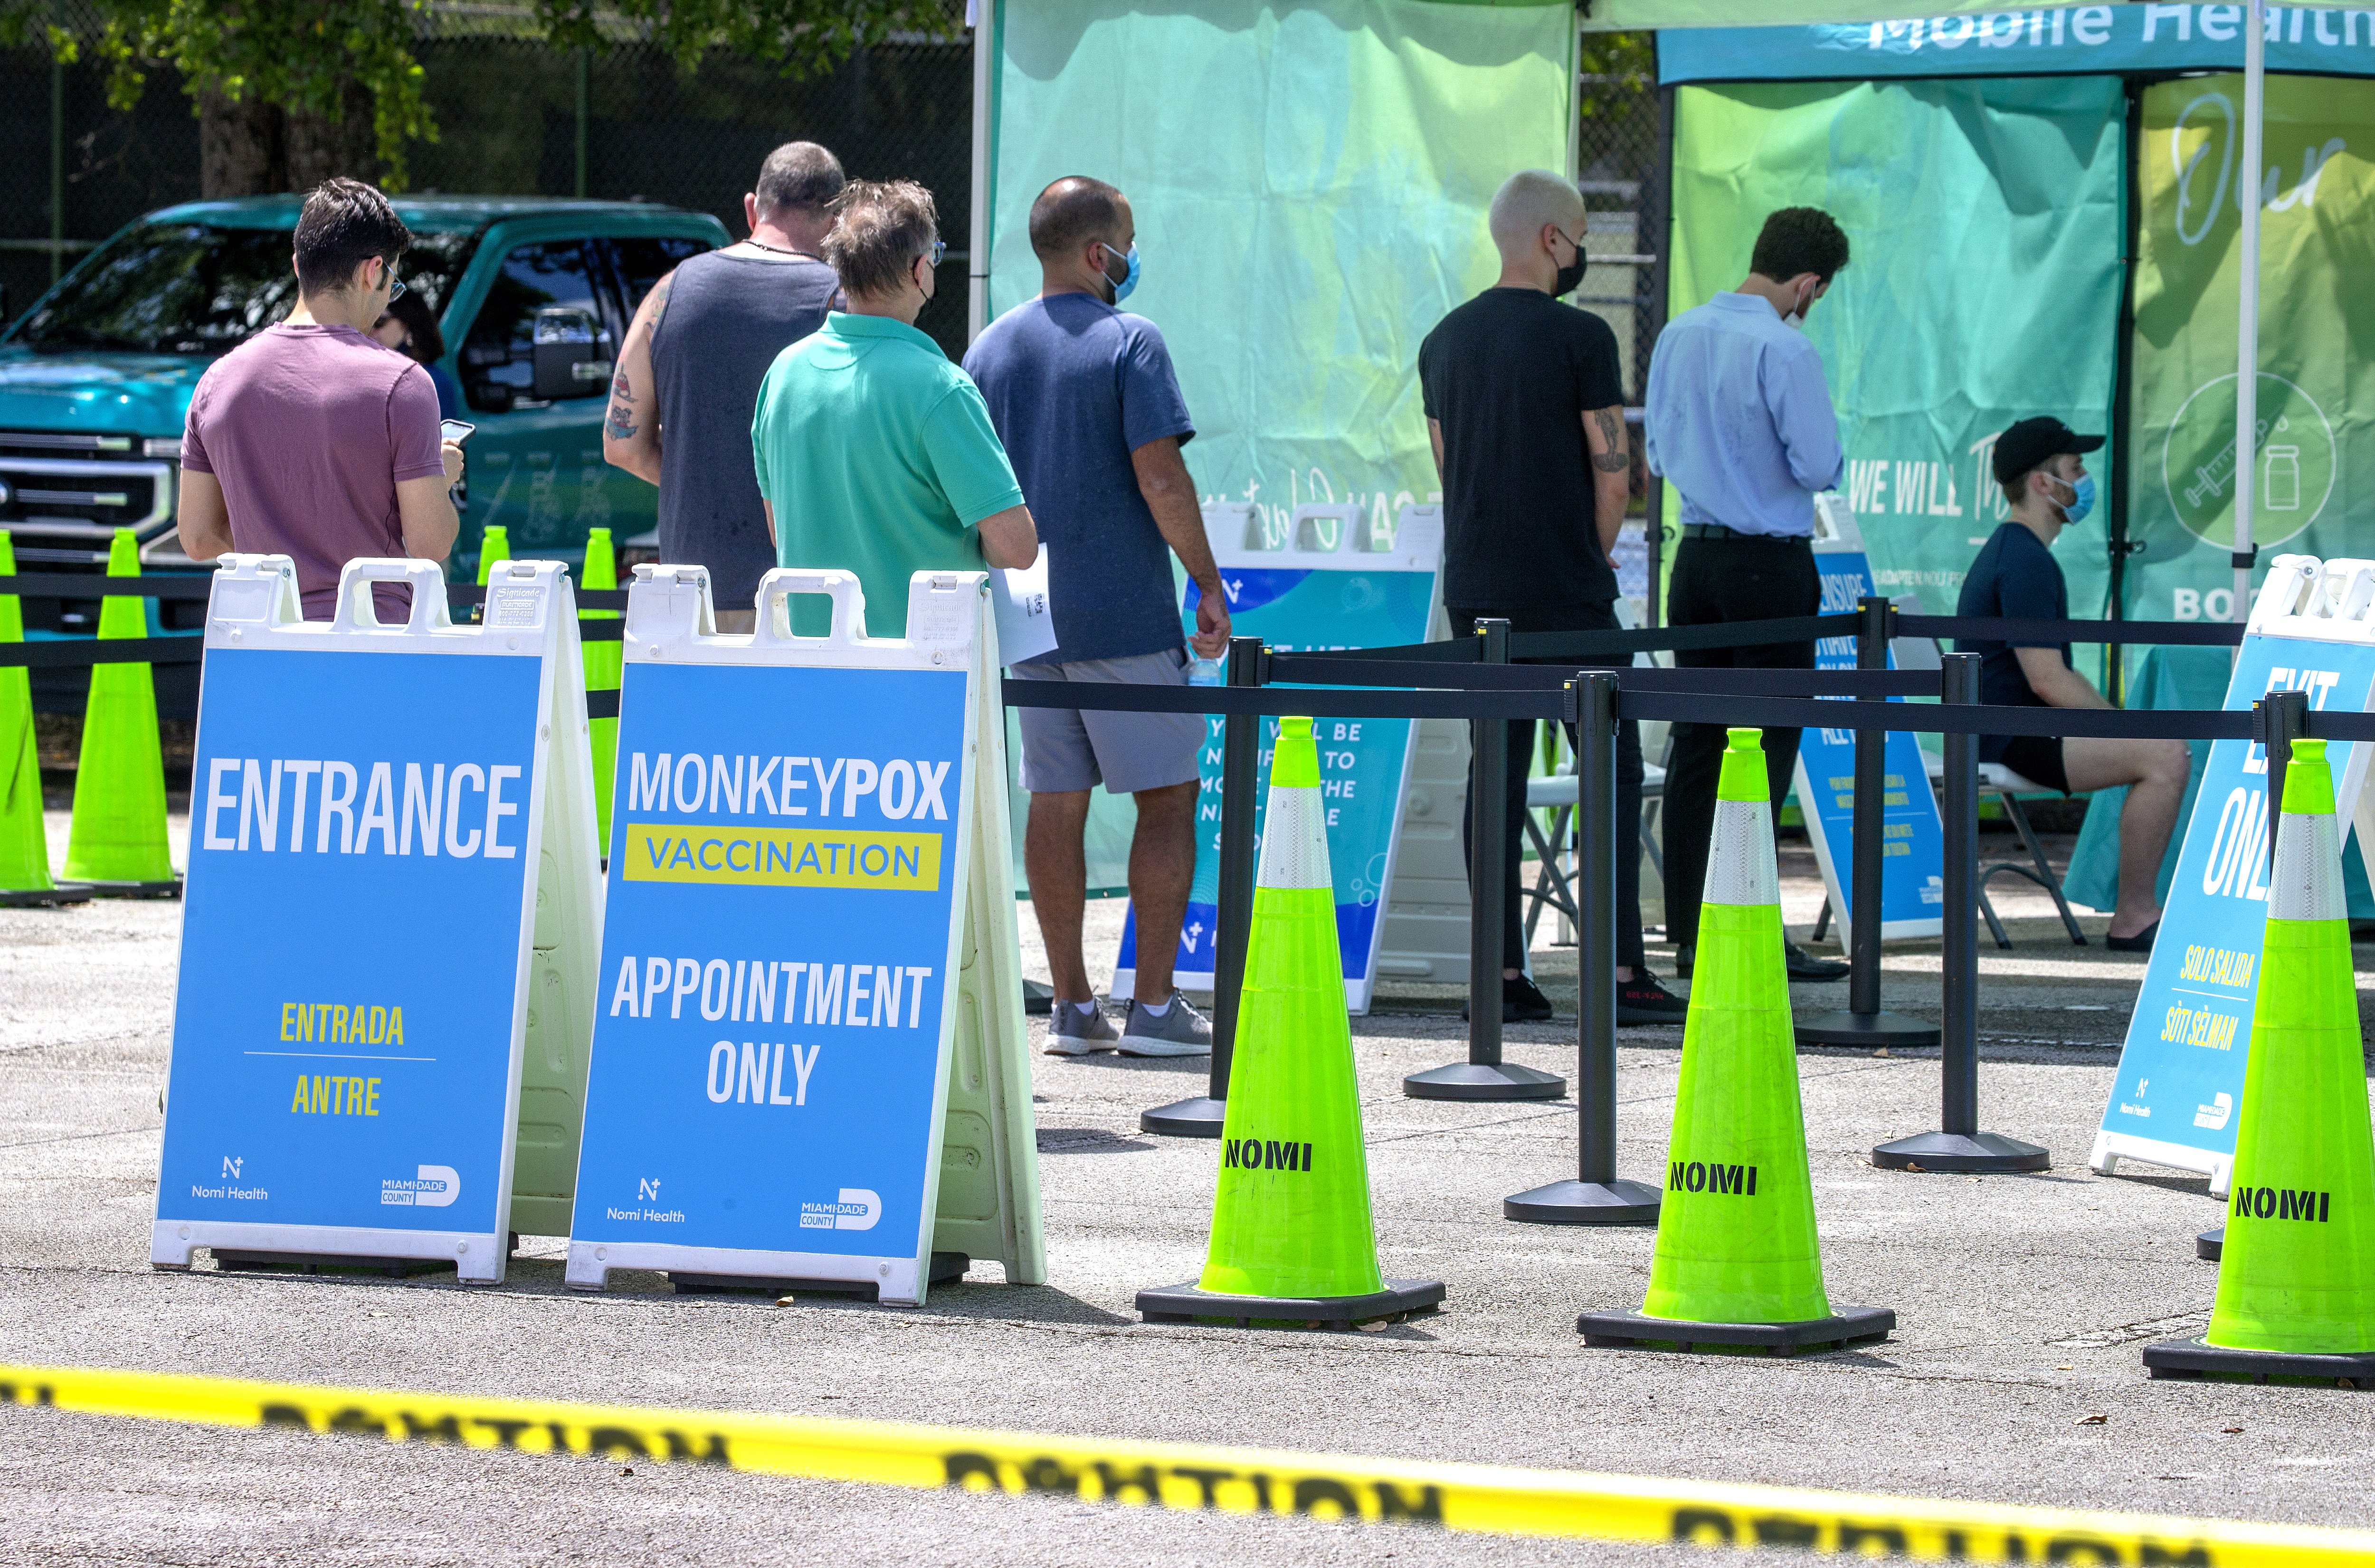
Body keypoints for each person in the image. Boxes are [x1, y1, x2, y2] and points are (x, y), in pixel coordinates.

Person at [962, 176, 1228, 1058]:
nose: (1133, 257)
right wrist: (1207, 581)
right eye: (1128, 241)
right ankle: (1153, 1005)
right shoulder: (1130, 340)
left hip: (1028, 618)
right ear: (1095, 253)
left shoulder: (987, 351)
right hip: (1124, 617)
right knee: (1169, 795)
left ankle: (1073, 1008)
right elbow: (1161, 477)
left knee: (1055, 798)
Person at [1417, 170, 1686, 1026]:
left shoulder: (1443, 340)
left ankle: (1498, 972)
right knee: (1610, 763)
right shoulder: (1583, 335)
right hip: (1568, 589)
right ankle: (1620, 970)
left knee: (1492, 772)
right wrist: (1591, 554)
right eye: (1581, 239)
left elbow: (1449, 465)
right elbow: (1615, 473)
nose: (1582, 255)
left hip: (1476, 586)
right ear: (1551, 239)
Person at [1644, 205, 1855, 985]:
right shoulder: (1786, 347)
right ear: (1808, 284)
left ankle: (1692, 934)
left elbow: (1657, 452)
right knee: (1763, 747)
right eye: (1818, 294)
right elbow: (1818, 466)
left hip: (1695, 560)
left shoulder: (1678, 333)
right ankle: (1750, 931)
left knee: (1699, 744)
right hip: (1769, 563)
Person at [752, 179, 1038, 641]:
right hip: (925, 664)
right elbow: (1017, 548)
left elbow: (779, 530)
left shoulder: (782, 375)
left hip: (809, 661)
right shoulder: (940, 387)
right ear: (920, 270)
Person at [175, 177, 463, 623]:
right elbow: (431, 543)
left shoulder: (217, 383)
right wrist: (439, 481)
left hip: (255, 637)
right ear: (373, 271)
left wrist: (285, 548)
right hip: (369, 640)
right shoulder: (404, 384)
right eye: (393, 283)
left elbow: (197, 538)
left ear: (298, 266)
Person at [1962, 417, 2187, 952]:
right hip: (2010, 737)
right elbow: (2047, 680)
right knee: (2165, 757)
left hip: (2011, 729)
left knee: (2156, 747)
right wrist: (2123, 729)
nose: (2084, 479)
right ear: (2043, 482)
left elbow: (2053, 677)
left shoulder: (2020, 551)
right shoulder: (2023, 559)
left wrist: (2119, 726)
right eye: (2075, 468)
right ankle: (2134, 916)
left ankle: (2137, 911)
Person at [604, 141, 846, 633]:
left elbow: (621, 444)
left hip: (690, 597)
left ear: (753, 208)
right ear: (838, 220)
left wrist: (705, 484)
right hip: (808, 602)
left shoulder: (671, 289)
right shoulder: (841, 302)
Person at [370, 291, 460, 419]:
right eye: (368, 321)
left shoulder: (434, 383)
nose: (370, 329)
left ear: (407, 325)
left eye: (379, 321)